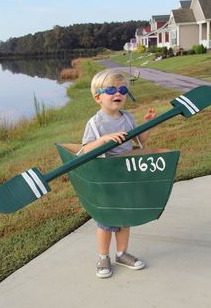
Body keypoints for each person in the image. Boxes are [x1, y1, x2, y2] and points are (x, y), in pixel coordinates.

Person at [81, 68, 156, 278]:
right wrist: (104, 140)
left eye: (122, 89)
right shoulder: (95, 123)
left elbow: (140, 142)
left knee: (125, 216)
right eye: (112, 89)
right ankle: (103, 256)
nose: (118, 93)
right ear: (98, 97)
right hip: (107, 176)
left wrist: (148, 124)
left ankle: (122, 254)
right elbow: (86, 149)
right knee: (106, 220)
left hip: (126, 174)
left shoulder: (128, 117)